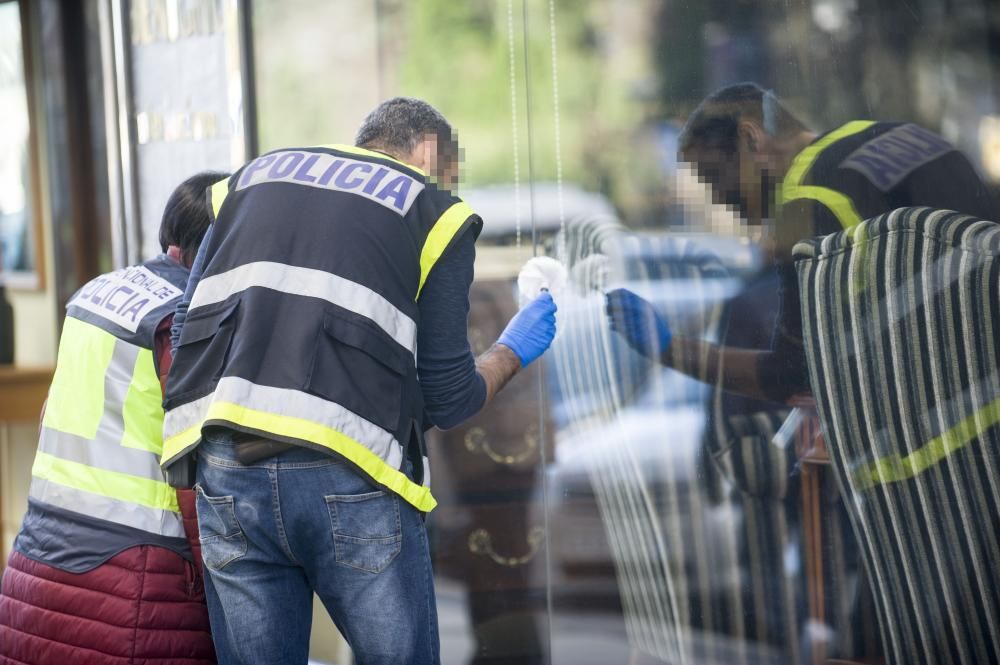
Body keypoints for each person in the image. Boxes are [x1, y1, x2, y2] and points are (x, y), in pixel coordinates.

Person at [161, 97, 557, 665]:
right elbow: (448, 397)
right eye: (451, 168)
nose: (450, 182)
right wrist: (512, 350)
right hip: (348, 473)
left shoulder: (250, 179)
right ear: (428, 152)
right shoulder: (434, 212)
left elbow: (187, 330)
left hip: (227, 467)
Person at [608, 82, 1000, 403]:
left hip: (939, 463)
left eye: (714, 176)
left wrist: (669, 349)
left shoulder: (802, 203)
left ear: (751, 139)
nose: (719, 199)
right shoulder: (902, 137)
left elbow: (793, 374)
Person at [0, 171, 229, 665]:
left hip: (37, 565)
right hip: (135, 587)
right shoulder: (182, 320)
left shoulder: (94, 294)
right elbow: (198, 481)